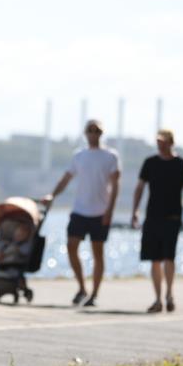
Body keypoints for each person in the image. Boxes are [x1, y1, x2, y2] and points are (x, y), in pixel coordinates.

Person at [42, 120, 121, 307]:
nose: (94, 134)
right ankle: (81, 288)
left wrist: (110, 210)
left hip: (100, 212)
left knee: (97, 253)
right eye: (90, 131)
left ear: (102, 134)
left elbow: (116, 185)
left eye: (97, 131)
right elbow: (66, 178)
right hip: (80, 210)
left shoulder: (111, 156)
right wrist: (52, 195)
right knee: (71, 246)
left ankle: (94, 294)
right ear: (85, 134)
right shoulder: (79, 156)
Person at [131, 128, 183, 313]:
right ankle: (158, 299)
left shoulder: (182, 164)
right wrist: (135, 211)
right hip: (152, 217)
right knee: (154, 259)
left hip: (172, 217)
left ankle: (169, 294)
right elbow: (140, 188)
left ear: (171, 143)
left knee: (169, 257)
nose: (160, 144)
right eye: (158, 141)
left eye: (164, 141)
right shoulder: (150, 163)